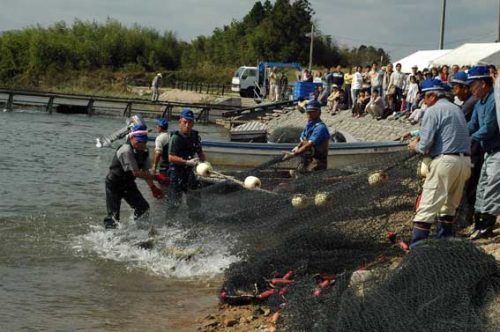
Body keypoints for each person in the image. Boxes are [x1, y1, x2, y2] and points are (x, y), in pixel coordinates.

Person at [407, 79, 471, 248]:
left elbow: (425, 144)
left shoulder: (433, 110)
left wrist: (415, 145)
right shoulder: (456, 109)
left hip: (445, 162)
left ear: (433, 96)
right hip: (464, 162)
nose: (424, 102)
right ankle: (445, 249)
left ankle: (416, 253)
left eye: (425, 98)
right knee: (447, 209)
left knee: (425, 210)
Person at [104, 125, 164, 229]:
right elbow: (136, 173)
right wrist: (157, 177)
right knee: (113, 216)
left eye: (144, 142)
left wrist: (153, 187)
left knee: (143, 208)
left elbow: (145, 171)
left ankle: (139, 230)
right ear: (131, 138)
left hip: (128, 183)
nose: (141, 145)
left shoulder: (144, 151)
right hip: (114, 183)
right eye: (139, 141)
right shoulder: (126, 150)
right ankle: (108, 239)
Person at [467, 65, 500, 239]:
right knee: (482, 187)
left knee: (492, 189)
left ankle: (487, 226)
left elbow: (489, 128)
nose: (470, 88)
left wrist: (470, 139)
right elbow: (472, 125)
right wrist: (461, 133)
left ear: (483, 83)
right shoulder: (480, 103)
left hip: (497, 150)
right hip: (488, 151)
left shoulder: (494, 100)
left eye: (473, 84)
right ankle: (479, 223)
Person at [167, 108, 207, 218]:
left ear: (193, 123)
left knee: (195, 199)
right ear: (180, 122)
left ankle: (195, 222)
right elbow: (171, 157)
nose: (187, 125)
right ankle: (168, 225)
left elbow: (200, 153)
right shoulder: (176, 138)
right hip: (176, 172)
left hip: (189, 172)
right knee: (174, 202)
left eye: (190, 122)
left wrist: (205, 164)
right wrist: (186, 162)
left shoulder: (195, 136)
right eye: (185, 122)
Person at [284, 100, 330, 174]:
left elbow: (309, 144)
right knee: (293, 172)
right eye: (308, 112)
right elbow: (303, 140)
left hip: (317, 164)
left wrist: (294, 154)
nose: (309, 114)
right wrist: (296, 147)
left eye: (313, 112)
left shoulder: (320, 128)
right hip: (306, 161)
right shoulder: (309, 125)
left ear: (319, 112)